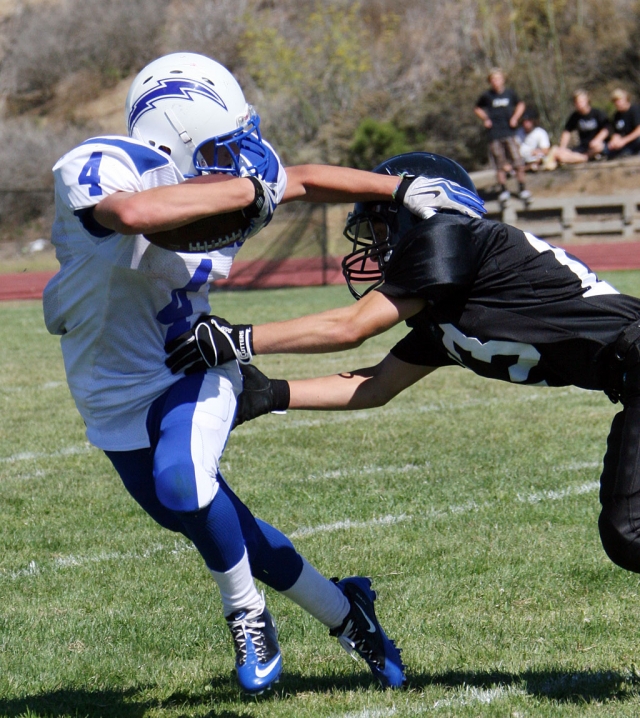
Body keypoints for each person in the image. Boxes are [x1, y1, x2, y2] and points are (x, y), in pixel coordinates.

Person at [43, 54, 485, 693]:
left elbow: (298, 177)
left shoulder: (223, 173)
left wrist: (397, 189)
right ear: (179, 129)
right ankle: (345, 609)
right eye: (221, 144)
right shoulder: (101, 163)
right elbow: (134, 216)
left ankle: (248, 615)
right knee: (209, 517)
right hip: (105, 384)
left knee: (184, 480)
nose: (234, 159)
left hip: (190, 358)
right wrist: (255, 190)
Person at [165, 150, 640, 587]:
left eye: (380, 231)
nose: (373, 250)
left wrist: (241, 340)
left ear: (417, 214)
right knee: (625, 531)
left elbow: (352, 328)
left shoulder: (456, 235)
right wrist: (275, 394)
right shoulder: (447, 307)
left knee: (629, 530)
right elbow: (375, 385)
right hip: (630, 380)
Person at [474, 67, 531, 203]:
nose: (496, 81)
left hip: (509, 132)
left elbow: (521, 104)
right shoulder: (487, 96)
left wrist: (515, 118)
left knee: (517, 161)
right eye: (493, 79)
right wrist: (485, 119)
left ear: (503, 79)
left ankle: (522, 188)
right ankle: (503, 190)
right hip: (494, 134)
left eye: (498, 78)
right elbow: (477, 108)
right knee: (499, 164)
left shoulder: (510, 93)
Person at [543, 89, 609, 170]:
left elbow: (607, 129)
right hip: (583, 147)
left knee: (598, 146)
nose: (579, 104)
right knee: (559, 153)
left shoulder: (597, 113)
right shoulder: (575, 116)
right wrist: (562, 147)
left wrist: (597, 139)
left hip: (596, 146)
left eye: (581, 101)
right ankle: (584, 158)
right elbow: (567, 132)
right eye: (577, 102)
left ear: (587, 100)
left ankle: (582, 158)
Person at [606, 88, 640, 160]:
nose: (617, 103)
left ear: (626, 99)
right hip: (626, 142)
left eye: (619, 100)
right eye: (615, 101)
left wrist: (624, 141)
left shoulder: (635, 110)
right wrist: (614, 140)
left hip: (635, 140)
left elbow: (638, 130)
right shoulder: (617, 115)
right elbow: (617, 132)